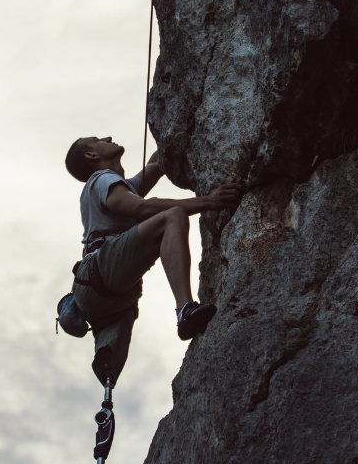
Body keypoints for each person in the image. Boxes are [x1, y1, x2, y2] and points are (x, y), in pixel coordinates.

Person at [65, 136, 244, 384]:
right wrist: (208, 202)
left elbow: (157, 163)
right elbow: (142, 209)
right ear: (92, 156)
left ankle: (107, 373)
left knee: (114, 336)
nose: (106, 138)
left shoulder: (117, 186)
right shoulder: (101, 179)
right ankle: (184, 309)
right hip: (102, 270)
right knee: (173, 217)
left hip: (100, 291)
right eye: (97, 140)